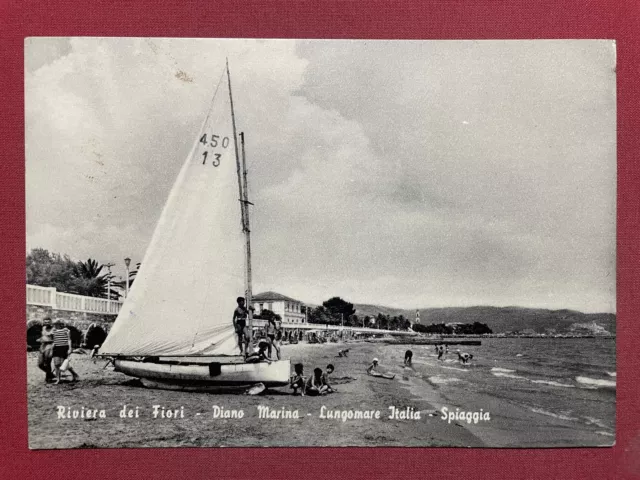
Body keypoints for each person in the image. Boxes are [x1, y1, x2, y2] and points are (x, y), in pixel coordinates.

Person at [37, 317, 54, 383]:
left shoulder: (53, 329)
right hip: (42, 346)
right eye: (45, 322)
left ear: (51, 322)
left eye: (48, 322)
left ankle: (48, 378)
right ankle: (51, 374)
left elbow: (55, 340)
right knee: (40, 364)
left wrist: (52, 349)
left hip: (49, 346)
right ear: (43, 322)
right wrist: (40, 339)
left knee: (47, 363)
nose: (46, 323)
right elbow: (43, 336)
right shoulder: (43, 328)